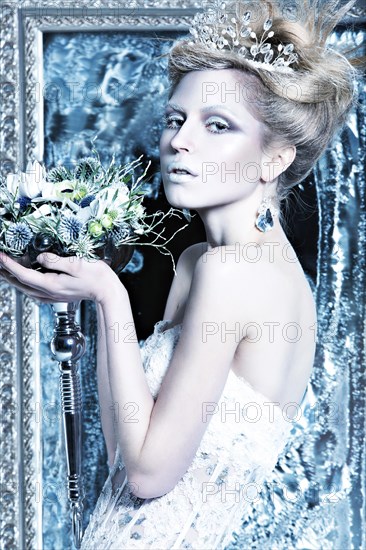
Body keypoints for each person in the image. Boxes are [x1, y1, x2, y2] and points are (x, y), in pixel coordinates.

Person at [0, 0, 358, 547]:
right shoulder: (213, 263)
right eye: (175, 119)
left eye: (218, 125)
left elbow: (147, 477)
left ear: (275, 157)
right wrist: (99, 291)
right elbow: (127, 450)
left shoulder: (232, 272)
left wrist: (109, 294)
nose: (179, 141)